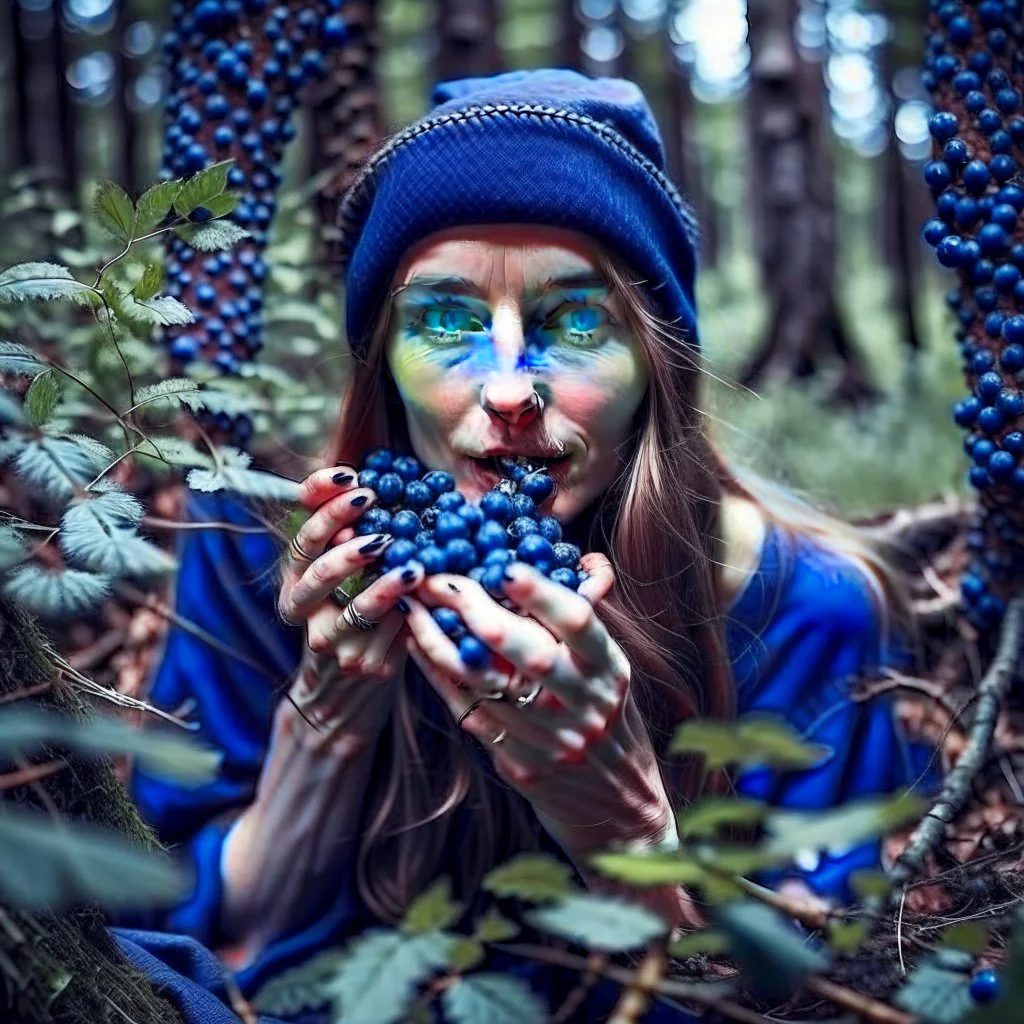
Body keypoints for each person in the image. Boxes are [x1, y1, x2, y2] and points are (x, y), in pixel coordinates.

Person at [112, 68, 933, 1022]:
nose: (508, 392)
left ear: (655, 361)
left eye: (577, 320)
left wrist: (622, 823)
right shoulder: (256, 552)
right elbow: (196, 923)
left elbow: (816, 994)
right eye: (447, 320)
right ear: (382, 353)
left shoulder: (802, 609)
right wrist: (326, 721)